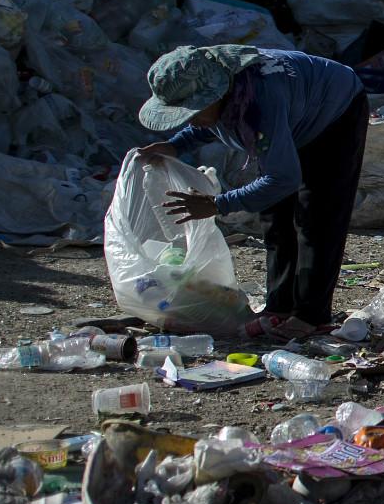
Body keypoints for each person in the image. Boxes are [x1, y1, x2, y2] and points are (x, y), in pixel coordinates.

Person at [134, 45, 368, 341]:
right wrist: (175, 145)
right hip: (292, 111)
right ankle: (280, 306)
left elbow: (282, 177)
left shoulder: (258, 104)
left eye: (191, 111)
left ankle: (312, 315)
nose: (188, 119)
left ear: (216, 95)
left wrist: (218, 205)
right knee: (275, 215)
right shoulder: (225, 94)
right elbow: (210, 124)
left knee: (316, 216)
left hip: (334, 110)